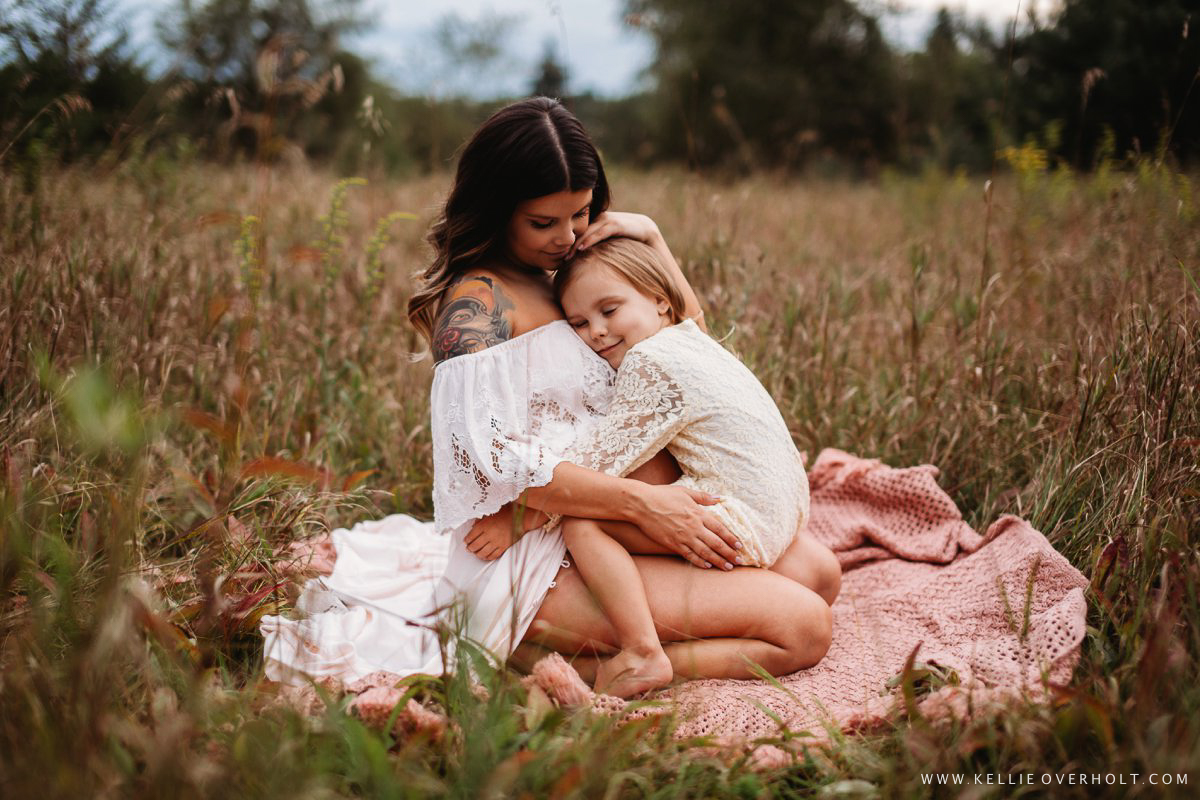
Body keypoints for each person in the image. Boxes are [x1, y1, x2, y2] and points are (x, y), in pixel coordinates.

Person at [261, 97, 839, 690]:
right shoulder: (477, 307)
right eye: (544, 223)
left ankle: (574, 645)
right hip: (546, 546)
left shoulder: (573, 273)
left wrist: (654, 240)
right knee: (804, 626)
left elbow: (687, 354)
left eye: (581, 214)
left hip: (632, 520)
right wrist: (642, 504)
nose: (567, 237)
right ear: (497, 209)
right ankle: (577, 662)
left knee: (820, 574)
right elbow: (485, 462)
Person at [517, 236, 808, 696]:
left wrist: (526, 517)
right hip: (789, 513)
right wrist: (651, 233)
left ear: (659, 301)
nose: (596, 330)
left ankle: (642, 651)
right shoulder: (692, 339)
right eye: (579, 322)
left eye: (609, 311)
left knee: (584, 521)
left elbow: (600, 464)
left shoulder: (648, 361)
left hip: (736, 519)